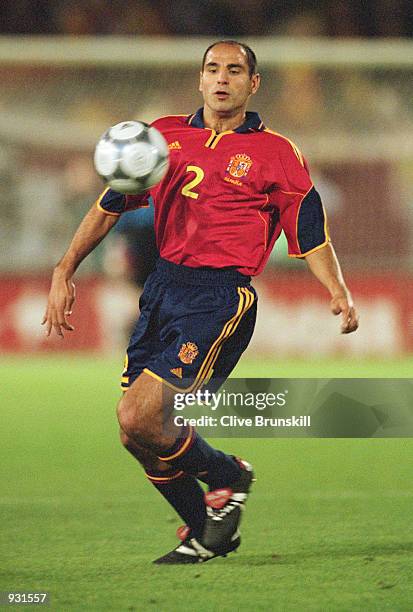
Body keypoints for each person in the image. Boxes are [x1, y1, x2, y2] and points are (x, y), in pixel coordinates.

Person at [42, 40, 359, 564]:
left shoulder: (278, 152)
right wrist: (64, 267)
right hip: (163, 288)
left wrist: (337, 288)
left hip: (219, 297)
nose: (222, 79)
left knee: (142, 415)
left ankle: (229, 475)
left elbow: (308, 228)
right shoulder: (162, 137)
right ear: (200, 78)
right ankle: (209, 533)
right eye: (213, 69)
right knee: (135, 433)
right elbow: (109, 204)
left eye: (235, 71)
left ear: (252, 84)